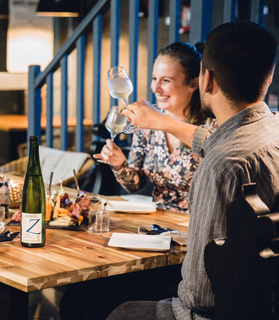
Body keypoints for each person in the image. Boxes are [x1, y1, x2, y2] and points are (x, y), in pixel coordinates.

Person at [107, 20, 278, 319]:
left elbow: (200, 296)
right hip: (265, 298)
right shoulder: (270, 131)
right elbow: (217, 140)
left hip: (220, 310)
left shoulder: (220, 166)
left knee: (113, 310)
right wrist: (161, 122)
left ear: (205, 79)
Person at [94, 42, 215, 213]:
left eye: (166, 80)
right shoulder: (146, 123)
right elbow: (136, 185)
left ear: (193, 84)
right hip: (158, 223)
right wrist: (120, 164)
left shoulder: (212, 126)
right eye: (154, 78)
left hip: (199, 225)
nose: (156, 88)